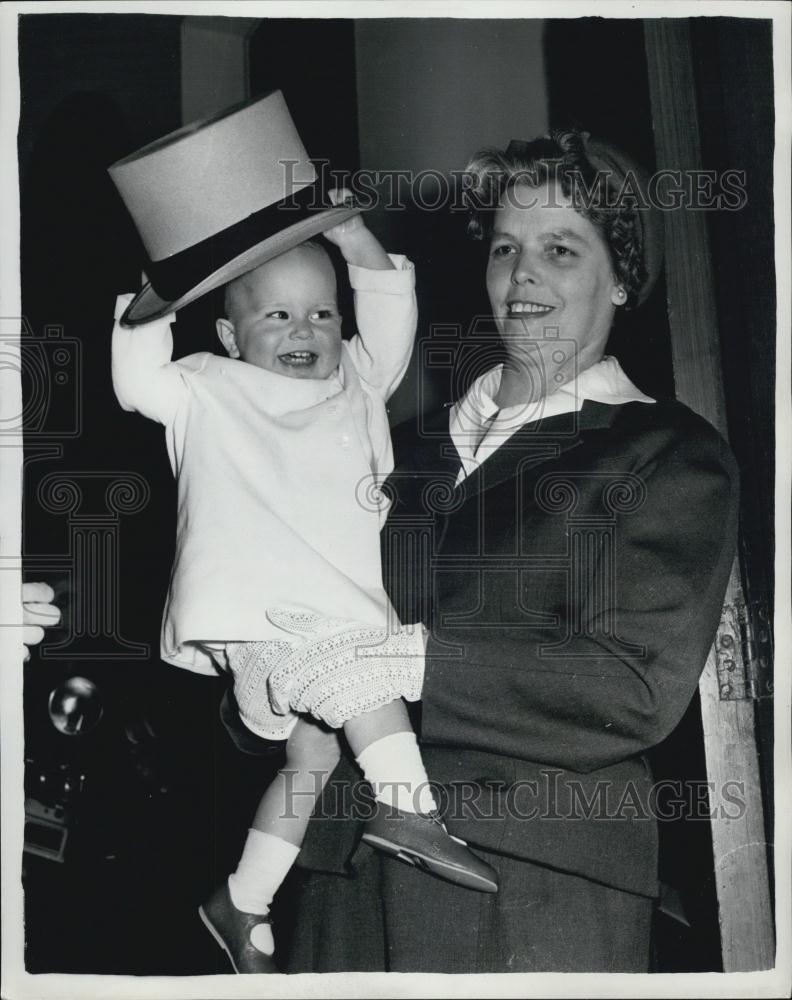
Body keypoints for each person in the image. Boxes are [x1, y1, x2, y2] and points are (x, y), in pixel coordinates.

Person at [236, 129, 740, 974]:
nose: (524, 273)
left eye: (561, 249)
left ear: (622, 278)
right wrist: (261, 688)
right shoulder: (389, 447)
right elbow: (287, 625)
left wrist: (410, 662)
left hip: (535, 879)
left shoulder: (665, 452)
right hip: (344, 869)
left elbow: (634, 684)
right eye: (506, 247)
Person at [111, 199, 497, 973]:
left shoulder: (354, 380)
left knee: (313, 759)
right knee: (363, 673)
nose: (305, 330)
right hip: (259, 613)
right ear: (228, 335)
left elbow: (387, 321)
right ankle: (411, 807)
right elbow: (134, 377)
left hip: (338, 614)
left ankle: (243, 900)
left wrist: (354, 237)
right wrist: (162, 290)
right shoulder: (204, 387)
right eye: (278, 315)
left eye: (323, 313)